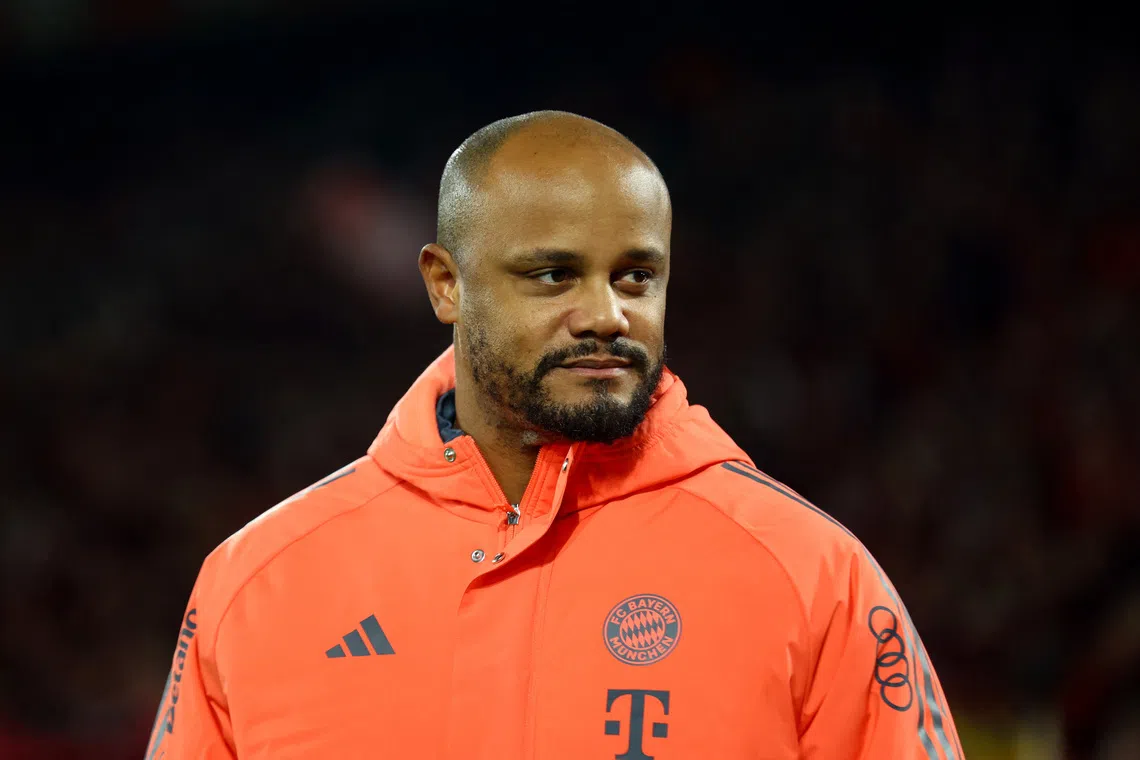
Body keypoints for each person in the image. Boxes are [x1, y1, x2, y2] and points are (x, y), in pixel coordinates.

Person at [145, 111, 963, 759]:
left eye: (636, 276)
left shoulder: (812, 575)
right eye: (554, 275)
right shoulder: (257, 585)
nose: (607, 314)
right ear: (444, 285)